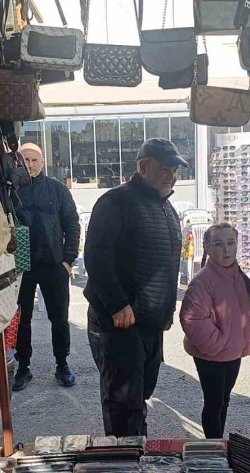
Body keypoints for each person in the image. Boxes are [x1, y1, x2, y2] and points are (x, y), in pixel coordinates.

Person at [83, 138, 183, 437]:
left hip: (151, 325)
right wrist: (117, 303)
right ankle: (123, 466)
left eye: (175, 169)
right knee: (122, 404)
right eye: (165, 169)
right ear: (143, 167)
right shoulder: (116, 202)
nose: (172, 175)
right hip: (120, 324)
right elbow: (97, 258)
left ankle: (136, 447)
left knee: (139, 396)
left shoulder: (165, 208)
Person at [179, 223, 250, 439]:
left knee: (224, 400)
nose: (226, 250)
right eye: (218, 244)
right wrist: (218, 345)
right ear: (207, 247)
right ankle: (213, 445)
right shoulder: (202, 282)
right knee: (214, 402)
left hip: (233, 353)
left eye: (230, 243)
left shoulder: (242, 278)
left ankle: (218, 441)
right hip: (211, 355)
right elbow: (192, 319)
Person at [13, 142, 81, 391]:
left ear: (42, 162)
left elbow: (72, 224)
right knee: (22, 320)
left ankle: (62, 364)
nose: (30, 165)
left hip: (54, 265)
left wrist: (68, 260)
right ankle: (23, 367)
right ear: (18, 161)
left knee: (59, 319)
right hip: (22, 266)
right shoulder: (11, 190)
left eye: (34, 160)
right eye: (25, 160)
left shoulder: (57, 190)